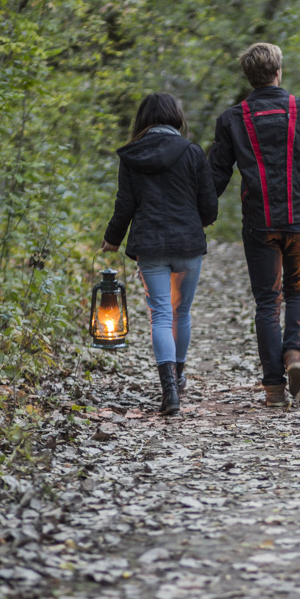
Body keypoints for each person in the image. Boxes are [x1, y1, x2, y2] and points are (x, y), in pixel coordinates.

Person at [208, 42, 300, 406]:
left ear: (249, 77)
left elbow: (216, 175)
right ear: (278, 71)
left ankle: (273, 388)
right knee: (298, 293)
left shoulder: (232, 119)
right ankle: (295, 357)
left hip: (259, 224)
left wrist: (199, 213)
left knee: (268, 303)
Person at [101, 93, 217, 415]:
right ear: (176, 117)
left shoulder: (132, 156)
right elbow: (208, 203)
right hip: (188, 245)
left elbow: (125, 203)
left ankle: (169, 392)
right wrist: (201, 221)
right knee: (182, 313)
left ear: (143, 119)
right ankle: (178, 378)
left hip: (150, 246)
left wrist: (112, 238)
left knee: (161, 315)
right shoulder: (193, 152)